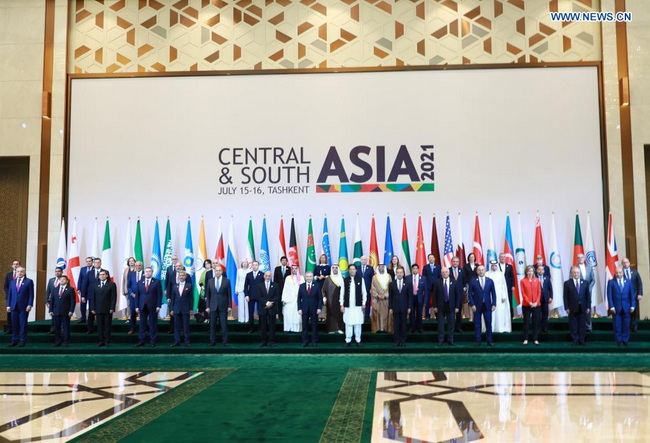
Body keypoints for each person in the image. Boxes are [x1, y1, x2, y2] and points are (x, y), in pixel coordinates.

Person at [467, 265, 496, 346]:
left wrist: (494, 304)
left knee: (488, 323)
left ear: (485, 271)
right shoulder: (472, 281)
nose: (481, 271)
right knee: (477, 324)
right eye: (479, 270)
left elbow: (493, 293)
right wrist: (472, 304)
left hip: (487, 305)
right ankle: (478, 340)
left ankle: (489, 340)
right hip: (476, 306)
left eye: (482, 270)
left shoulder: (490, 281)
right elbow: (470, 294)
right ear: (477, 271)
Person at [608, 266, 636, 346]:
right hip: (616, 308)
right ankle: (619, 340)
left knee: (626, 324)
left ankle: (625, 340)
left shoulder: (628, 282)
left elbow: (632, 295)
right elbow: (609, 296)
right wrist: (611, 306)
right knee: (617, 325)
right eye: (616, 273)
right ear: (614, 273)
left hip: (627, 307)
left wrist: (633, 305)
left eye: (620, 272)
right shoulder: (611, 282)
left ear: (623, 273)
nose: (618, 274)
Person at [135, 266, 162, 347]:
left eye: (149, 271)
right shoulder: (140, 282)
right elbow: (137, 295)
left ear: (152, 273)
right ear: (144, 273)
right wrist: (136, 306)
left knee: (153, 324)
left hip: (153, 306)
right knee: (142, 324)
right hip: (142, 306)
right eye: (146, 271)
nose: (148, 273)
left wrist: (158, 306)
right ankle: (141, 341)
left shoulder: (157, 282)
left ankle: (153, 341)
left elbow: (159, 295)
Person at [6, 267, 34, 347]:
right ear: (16, 272)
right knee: (14, 324)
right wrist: (8, 305)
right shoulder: (12, 282)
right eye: (18, 271)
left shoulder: (29, 281)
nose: (19, 273)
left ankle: (22, 340)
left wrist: (29, 304)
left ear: (24, 272)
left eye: (21, 271)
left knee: (23, 324)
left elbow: (31, 294)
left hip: (24, 307)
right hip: (13, 306)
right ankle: (14, 340)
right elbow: (9, 294)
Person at [340, 264, 367, 347]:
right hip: (348, 306)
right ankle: (348, 340)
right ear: (348, 270)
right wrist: (341, 304)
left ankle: (358, 340)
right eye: (350, 269)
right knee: (348, 323)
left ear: (356, 270)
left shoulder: (361, 279)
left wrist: (364, 303)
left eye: (353, 269)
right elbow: (342, 293)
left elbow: (364, 292)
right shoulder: (345, 280)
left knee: (358, 323)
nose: (352, 271)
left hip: (358, 306)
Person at [563, 265, 591, 346]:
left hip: (583, 307)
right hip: (572, 308)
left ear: (580, 273)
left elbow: (588, 296)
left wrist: (588, 307)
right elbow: (565, 297)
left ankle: (581, 340)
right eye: (574, 272)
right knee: (573, 325)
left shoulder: (585, 283)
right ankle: (574, 340)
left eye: (577, 272)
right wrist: (566, 307)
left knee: (582, 325)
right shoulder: (567, 283)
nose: (576, 274)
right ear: (571, 273)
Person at [433, 267, 460, 345]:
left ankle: (450, 340)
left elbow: (457, 295)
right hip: (440, 306)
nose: (445, 273)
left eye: (446, 272)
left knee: (451, 324)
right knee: (441, 324)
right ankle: (441, 340)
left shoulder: (454, 282)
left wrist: (457, 306)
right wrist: (435, 306)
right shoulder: (437, 282)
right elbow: (434, 295)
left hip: (451, 306)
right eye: (443, 272)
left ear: (449, 273)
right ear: (441, 273)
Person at [206, 265, 232, 346]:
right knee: (212, 325)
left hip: (223, 306)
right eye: (216, 270)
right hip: (212, 306)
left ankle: (225, 341)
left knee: (224, 325)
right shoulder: (210, 281)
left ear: (222, 272)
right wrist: (207, 306)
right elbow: (208, 295)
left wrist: (229, 306)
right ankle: (212, 341)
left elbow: (229, 294)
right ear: (214, 271)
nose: (217, 272)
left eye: (219, 270)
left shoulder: (227, 281)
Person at [82, 257, 110, 335]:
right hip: (92, 296)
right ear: (93, 263)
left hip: (103, 297)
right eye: (95, 262)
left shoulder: (105, 272)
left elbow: (109, 285)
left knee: (102, 313)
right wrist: (83, 295)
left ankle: (102, 329)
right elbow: (85, 284)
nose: (97, 264)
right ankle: (90, 329)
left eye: (98, 262)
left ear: (101, 263)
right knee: (91, 313)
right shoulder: (89, 273)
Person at [90, 270, 116, 347]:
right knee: (99, 326)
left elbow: (113, 297)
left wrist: (112, 308)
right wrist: (92, 308)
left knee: (107, 325)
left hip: (108, 309)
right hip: (98, 308)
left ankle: (107, 341)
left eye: (103, 274)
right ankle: (101, 341)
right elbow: (92, 297)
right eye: (100, 275)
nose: (102, 276)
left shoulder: (112, 284)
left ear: (107, 275)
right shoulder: (95, 284)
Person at [49, 275, 75, 347]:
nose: (62, 280)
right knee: (57, 327)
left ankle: (66, 341)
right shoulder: (55, 289)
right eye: (60, 279)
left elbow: (72, 301)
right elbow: (52, 300)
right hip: (56, 311)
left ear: (67, 281)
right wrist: (50, 310)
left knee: (66, 327)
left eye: (63, 279)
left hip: (66, 312)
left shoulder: (70, 289)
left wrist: (71, 311)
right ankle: (58, 341)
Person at [389, 266, 412, 347]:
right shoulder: (392, 284)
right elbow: (390, 297)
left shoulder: (408, 283)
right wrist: (390, 308)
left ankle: (403, 341)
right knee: (396, 325)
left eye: (401, 272)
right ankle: (397, 341)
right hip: (395, 308)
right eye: (398, 272)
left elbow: (410, 296)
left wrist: (409, 307)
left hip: (404, 307)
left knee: (403, 325)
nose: (399, 274)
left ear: (403, 273)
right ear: (396, 273)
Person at [487, 260, 511, 334]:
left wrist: (504, 295)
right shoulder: (487, 274)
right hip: (490, 295)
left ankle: (500, 327)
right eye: (492, 266)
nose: (494, 267)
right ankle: (491, 328)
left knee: (500, 311)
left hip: (500, 295)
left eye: (495, 266)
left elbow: (504, 285)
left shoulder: (501, 274)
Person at [297, 271, 321, 347]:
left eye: (310, 276)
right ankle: (305, 341)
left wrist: (319, 308)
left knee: (314, 325)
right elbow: (299, 298)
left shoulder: (317, 285)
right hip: (304, 309)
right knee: (304, 326)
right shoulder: (301, 286)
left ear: (312, 277)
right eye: (307, 276)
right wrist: (299, 308)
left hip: (314, 309)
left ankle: (314, 341)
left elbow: (320, 298)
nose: (309, 278)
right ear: (305, 277)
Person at [169, 270, 193, 347]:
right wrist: (172, 309)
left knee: (186, 326)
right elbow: (173, 298)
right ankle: (177, 341)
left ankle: (187, 341)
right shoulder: (174, 286)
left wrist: (191, 309)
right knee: (176, 326)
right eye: (180, 275)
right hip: (176, 309)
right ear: (178, 277)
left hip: (186, 309)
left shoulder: (189, 286)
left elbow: (191, 298)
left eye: (183, 275)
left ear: (185, 277)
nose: (181, 277)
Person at [257, 271, 280, 347]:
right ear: (264, 276)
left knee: (272, 326)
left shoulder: (276, 285)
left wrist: (271, 302)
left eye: (269, 276)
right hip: (263, 308)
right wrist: (266, 303)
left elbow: (277, 296)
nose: (267, 277)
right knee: (263, 326)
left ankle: (272, 341)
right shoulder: (259, 285)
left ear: (271, 277)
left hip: (272, 308)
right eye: (266, 276)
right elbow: (259, 296)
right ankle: (263, 341)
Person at [520, 266, 541, 345]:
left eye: (531, 271)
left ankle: (535, 339)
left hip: (536, 305)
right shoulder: (523, 281)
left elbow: (539, 292)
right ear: (526, 272)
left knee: (536, 322)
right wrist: (529, 303)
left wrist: (536, 302)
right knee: (526, 322)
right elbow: (523, 294)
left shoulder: (537, 280)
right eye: (529, 271)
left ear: (533, 272)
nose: (530, 273)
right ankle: (525, 339)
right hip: (526, 305)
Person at [622, 258, 644, 332]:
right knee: (625, 312)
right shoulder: (620, 272)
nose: (625, 264)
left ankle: (634, 327)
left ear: (629, 263)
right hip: (624, 296)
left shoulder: (635, 272)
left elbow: (639, 283)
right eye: (624, 262)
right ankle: (626, 327)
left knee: (634, 312)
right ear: (622, 264)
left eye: (627, 262)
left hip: (634, 296)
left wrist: (640, 293)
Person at [322, 264, 345, 334]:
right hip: (330, 300)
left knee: (339, 314)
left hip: (340, 300)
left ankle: (339, 328)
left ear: (338, 269)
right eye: (333, 268)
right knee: (331, 314)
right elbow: (323, 289)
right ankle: (331, 329)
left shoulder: (342, 278)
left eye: (336, 268)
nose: (335, 269)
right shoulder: (328, 279)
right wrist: (324, 298)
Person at [370, 263, 393, 333]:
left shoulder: (389, 276)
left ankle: (385, 328)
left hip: (386, 299)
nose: (381, 268)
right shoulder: (374, 277)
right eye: (380, 267)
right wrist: (377, 295)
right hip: (377, 299)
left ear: (384, 268)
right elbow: (373, 288)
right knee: (377, 314)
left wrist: (385, 295)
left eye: (383, 267)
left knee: (386, 314)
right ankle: (377, 328)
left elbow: (391, 288)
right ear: (378, 268)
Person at [576, 253, 596, 331]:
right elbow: (572, 279)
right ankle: (580, 326)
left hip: (588, 292)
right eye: (578, 257)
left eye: (581, 257)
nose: (580, 259)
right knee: (578, 308)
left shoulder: (589, 268)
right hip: (578, 292)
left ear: (584, 258)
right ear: (577, 259)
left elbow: (593, 280)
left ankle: (588, 326)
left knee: (588, 308)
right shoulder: (574, 268)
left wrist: (589, 289)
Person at [244, 261, 264, 333]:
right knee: (250, 313)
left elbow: (264, 286)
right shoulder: (248, 274)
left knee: (261, 313)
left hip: (260, 297)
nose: (254, 266)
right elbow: (246, 286)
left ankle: (260, 328)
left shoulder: (262, 274)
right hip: (251, 296)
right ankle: (251, 328)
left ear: (258, 266)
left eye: (256, 265)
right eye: (253, 265)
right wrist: (246, 295)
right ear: (251, 266)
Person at [282, 265, 303, 332]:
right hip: (289, 299)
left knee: (297, 315)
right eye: (293, 269)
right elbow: (285, 288)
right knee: (288, 314)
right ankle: (288, 328)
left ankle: (296, 329)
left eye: (295, 268)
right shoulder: (288, 278)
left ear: (298, 269)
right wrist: (284, 299)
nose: (294, 270)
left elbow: (303, 289)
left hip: (298, 299)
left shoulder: (301, 278)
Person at [407, 263, 427, 333]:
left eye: (416, 268)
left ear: (418, 269)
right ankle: (412, 327)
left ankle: (420, 328)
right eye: (413, 268)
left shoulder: (423, 278)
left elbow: (426, 291)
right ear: (412, 269)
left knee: (419, 314)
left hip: (419, 298)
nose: (415, 270)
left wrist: (425, 301)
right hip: (411, 299)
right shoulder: (407, 278)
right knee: (411, 314)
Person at [126, 260, 144, 335]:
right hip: (133, 297)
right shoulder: (131, 274)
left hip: (143, 297)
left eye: (139, 265)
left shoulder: (145, 273)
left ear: (141, 266)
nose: (137, 267)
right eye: (136, 265)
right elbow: (128, 286)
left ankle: (143, 329)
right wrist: (131, 293)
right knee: (133, 313)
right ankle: (132, 329)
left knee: (143, 314)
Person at [3, 259, 20, 335]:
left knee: (18, 313)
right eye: (14, 264)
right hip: (10, 298)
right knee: (9, 313)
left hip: (19, 298)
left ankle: (17, 329)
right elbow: (5, 286)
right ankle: (9, 329)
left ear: (19, 265)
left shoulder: (21, 274)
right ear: (12, 266)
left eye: (17, 264)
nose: (15, 265)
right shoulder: (8, 275)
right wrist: (9, 294)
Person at [449, 256, 466, 333]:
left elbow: (464, 281)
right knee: (451, 312)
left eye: (457, 261)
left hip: (459, 294)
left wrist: (464, 288)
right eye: (454, 261)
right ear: (451, 262)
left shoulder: (462, 270)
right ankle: (451, 328)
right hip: (450, 294)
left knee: (459, 311)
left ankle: (459, 328)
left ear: (459, 262)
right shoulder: (448, 270)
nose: (455, 263)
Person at [45, 267, 63, 334]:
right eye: (56, 271)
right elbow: (48, 291)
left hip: (61, 301)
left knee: (61, 315)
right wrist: (46, 300)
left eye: (59, 271)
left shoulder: (64, 280)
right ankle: (53, 329)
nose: (57, 272)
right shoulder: (51, 280)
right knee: (53, 315)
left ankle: (61, 329)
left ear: (62, 272)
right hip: (52, 301)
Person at [164, 254, 180, 333]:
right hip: (172, 293)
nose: (174, 260)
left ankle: (180, 329)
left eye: (175, 259)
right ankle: (172, 328)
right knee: (172, 312)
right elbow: (167, 281)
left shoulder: (182, 268)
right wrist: (166, 291)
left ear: (177, 259)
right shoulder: (169, 268)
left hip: (180, 293)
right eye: (173, 259)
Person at [497, 253, 516, 320]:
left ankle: (511, 315)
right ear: (499, 258)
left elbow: (512, 277)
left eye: (504, 257)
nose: (502, 258)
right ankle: (501, 316)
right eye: (501, 257)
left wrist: (513, 285)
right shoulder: (496, 266)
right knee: (500, 302)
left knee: (509, 301)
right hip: (499, 288)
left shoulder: (509, 266)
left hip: (508, 287)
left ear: (505, 258)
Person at [422, 254, 441, 320]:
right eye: (430, 258)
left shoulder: (438, 267)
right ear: (428, 259)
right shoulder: (425, 267)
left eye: (432, 258)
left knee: (437, 301)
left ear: (434, 259)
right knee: (427, 301)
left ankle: (437, 315)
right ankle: (427, 315)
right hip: (428, 287)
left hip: (436, 286)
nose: (431, 259)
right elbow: (423, 277)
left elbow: (440, 277)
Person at [314, 254, 331, 322]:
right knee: (318, 300)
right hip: (318, 285)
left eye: (324, 258)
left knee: (324, 300)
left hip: (325, 285)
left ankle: (324, 315)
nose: (323, 259)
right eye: (321, 258)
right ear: (320, 259)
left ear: (326, 259)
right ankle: (318, 315)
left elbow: (330, 276)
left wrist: (324, 277)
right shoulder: (317, 267)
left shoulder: (328, 267)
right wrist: (318, 277)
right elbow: (314, 276)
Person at [76, 257, 93, 324]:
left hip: (91, 290)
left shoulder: (95, 269)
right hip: (83, 290)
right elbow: (80, 279)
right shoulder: (83, 269)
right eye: (87, 261)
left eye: (89, 261)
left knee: (91, 305)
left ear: (92, 262)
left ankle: (90, 318)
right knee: (83, 305)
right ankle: (83, 317)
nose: (88, 262)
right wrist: (78, 288)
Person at [536, 265, 553, 333]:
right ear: (537, 270)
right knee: (538, 315)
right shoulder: (535, 278)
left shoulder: (547, 277)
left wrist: (551, 297)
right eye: (539, 269)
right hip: (537, 299)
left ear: (544, 271)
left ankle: (544, 328)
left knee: (545, 314)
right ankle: (538, 328)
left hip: (545, 299)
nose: (540, 271)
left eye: (542, 269)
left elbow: (550, 288)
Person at [358, 256, 374, 321]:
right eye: (362, 259)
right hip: (359, 289)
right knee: (359, 302)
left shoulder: (370, 268)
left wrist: (371, 288)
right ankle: (360, 316)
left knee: (367, 302)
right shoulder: (357, 268)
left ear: (367, 260)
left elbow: (373, 279)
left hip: (368, 289)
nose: (364, 261)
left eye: (365, 259)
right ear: (360, 260)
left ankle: (366, 316)